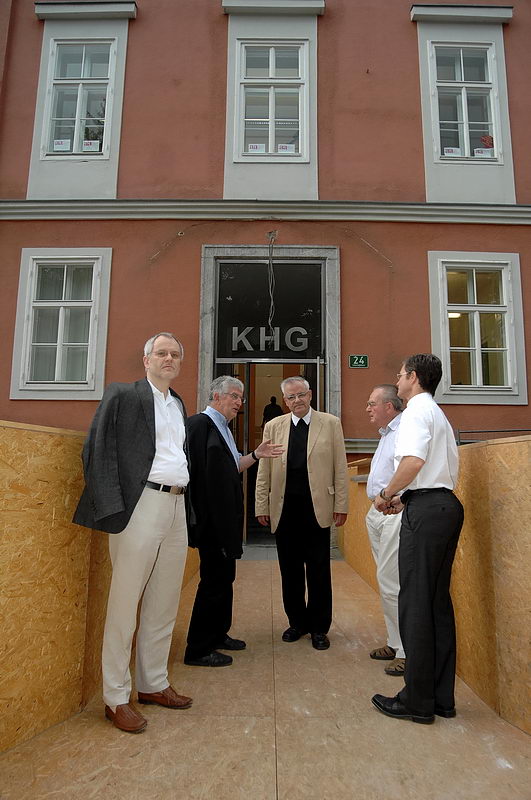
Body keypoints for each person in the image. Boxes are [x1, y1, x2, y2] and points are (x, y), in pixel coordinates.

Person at [73, 332, 193, 734]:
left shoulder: (178, 403)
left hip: (176, 505)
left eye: (174, 354)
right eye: (161, 353)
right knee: (125, 604)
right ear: (146, 360)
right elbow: (96, 449)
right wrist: (113, 507)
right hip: (139, 506)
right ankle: (116, 697)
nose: (168, 359)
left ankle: (153, 683)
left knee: (164, 600)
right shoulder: (123, 394)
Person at [371, 354, 464, 724]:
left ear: (413, 377)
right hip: (443, 505)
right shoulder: (436, 412)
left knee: (416, 605)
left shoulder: (413, 412)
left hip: (426, 511)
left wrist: (386, 494)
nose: (397, 381)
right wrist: (405, 497)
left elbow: (413, 461)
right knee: (436, 605)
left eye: (399, 375)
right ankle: (440, 699)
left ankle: (416, 701)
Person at [184, 376, 283, 667]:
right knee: (212, 582)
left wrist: (256, 455)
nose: (240, 402)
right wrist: (201, 520)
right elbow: (194, 475)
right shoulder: (199, 425)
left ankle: (218, 634)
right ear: (217, 396)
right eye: (235, 396)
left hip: (226, 520)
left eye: (241, 397)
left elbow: (233, 466)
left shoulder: (224, 428)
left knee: (225, 578)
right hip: (211, 521)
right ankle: (198, 649)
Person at [255, 376, 349, 650]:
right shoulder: (273, 426)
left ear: (310, 395)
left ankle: (319, 628)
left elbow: (340, 467)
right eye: (291, 397)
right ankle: (297, 622)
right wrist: (261, 505)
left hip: (317, 508)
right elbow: (264, 470)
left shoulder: (330, 423)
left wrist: (341, 505)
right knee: (290, 570)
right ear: (285, 401)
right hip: (284, 510)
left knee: (319, 570)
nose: (297, 401)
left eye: (301, 395)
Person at [365, 384, 406, 676]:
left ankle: (406, 651)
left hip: (393, 512)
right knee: (386, 582)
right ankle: (394, 642)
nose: (368, 409)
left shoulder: (403, 431)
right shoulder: (386, 433)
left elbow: (410, 469)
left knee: (393, 583)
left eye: (372, 403)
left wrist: (389, 497)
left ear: (388, 407)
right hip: (377, 512)